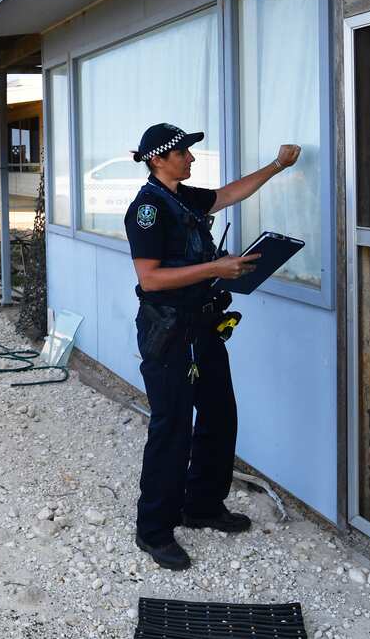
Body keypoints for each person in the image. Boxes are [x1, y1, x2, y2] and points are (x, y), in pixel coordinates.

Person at [124, 122, 300, 570]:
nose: (190, 157)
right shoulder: (147, 210)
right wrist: (214, 268)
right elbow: (150, 278)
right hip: (169, 333)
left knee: (220, 415)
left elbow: (227, 194)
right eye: (181, 152)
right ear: (157, 159)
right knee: (173, 427)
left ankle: (201, 506)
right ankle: (154, 530)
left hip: (203, 325)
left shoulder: (183, 197)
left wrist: (278, 166)